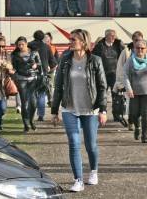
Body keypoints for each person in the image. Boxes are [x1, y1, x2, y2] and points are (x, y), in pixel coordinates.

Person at [51, 29, 107, 193]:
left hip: (90, 110)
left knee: (91, 145)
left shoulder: (95, 60)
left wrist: (103, 109)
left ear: (83, 42)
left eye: (73, 39)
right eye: (70, 39)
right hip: (70, 109)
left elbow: (102, 86)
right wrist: (55, 111)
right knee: (74, 143)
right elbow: (58, 86)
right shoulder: (65, 60)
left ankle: (94, 171)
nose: (71, 41)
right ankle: (78, 180)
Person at [124, 40, 147, 143]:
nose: (140, 50)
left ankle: (144, 135)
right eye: (137, 48)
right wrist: (129, 89)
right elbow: (125, 75)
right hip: (134, 94)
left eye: (142, 48)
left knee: (145, 114)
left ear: (146, 49)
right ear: (134, 49)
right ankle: (137, 128)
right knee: (134, 114)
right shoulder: (130, 61)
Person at [11, 36, 43, 133]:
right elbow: (14, 68)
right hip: (21, 80)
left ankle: (31, 120)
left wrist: (36, 65)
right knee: (24, 104)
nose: (20, 46)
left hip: (33, 80)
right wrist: (13, 72)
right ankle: (26, 125)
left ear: (26, 43)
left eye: (22, 44)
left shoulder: (34, 52)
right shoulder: (15, 55)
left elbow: (40, 63)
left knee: (33, 103)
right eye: (19, 45)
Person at [92, 29, 124, 122]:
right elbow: (94, 59)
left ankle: (117, 114)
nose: (113, 37)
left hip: (115, 74)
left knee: (117, 96)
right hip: (102, 74)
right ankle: (102, 112)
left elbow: (124, 57)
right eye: (111, 35)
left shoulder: (118, 45)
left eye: (114, 35)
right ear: (106, 36)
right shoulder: (99, 46)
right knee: (102, 95)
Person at [115, 31, 144, 130]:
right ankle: (132, 122)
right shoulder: (126, 51)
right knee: (132, 106)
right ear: (132, 40)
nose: (137, 42)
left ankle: (142, 124)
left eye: (139, 40)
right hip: (129, 83)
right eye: (136, 40)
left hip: (142, 83)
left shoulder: (145, 50)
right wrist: (120, 83)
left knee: (143, 105)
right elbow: (120, 68)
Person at [29, 30, 57, 122]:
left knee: (31, 95)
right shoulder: (46, 47)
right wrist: (48, 69)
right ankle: (40, 115)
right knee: (41, 95)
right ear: (42, 37)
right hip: (42, 74)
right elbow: (53, 62)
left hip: (30, 73)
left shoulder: (29, 45)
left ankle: (30, 114)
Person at [44, 32, 59, 107]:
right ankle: (49, 100)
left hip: (51, 70)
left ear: (50, 39)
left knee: (50, 85)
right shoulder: (40, 47)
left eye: (47, 37)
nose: (46, 39)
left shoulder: (53, 48)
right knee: (45, 85)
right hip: (42, 70)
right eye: (44, 37)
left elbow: (56, 59)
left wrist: (54, 66)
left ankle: (51, 100)